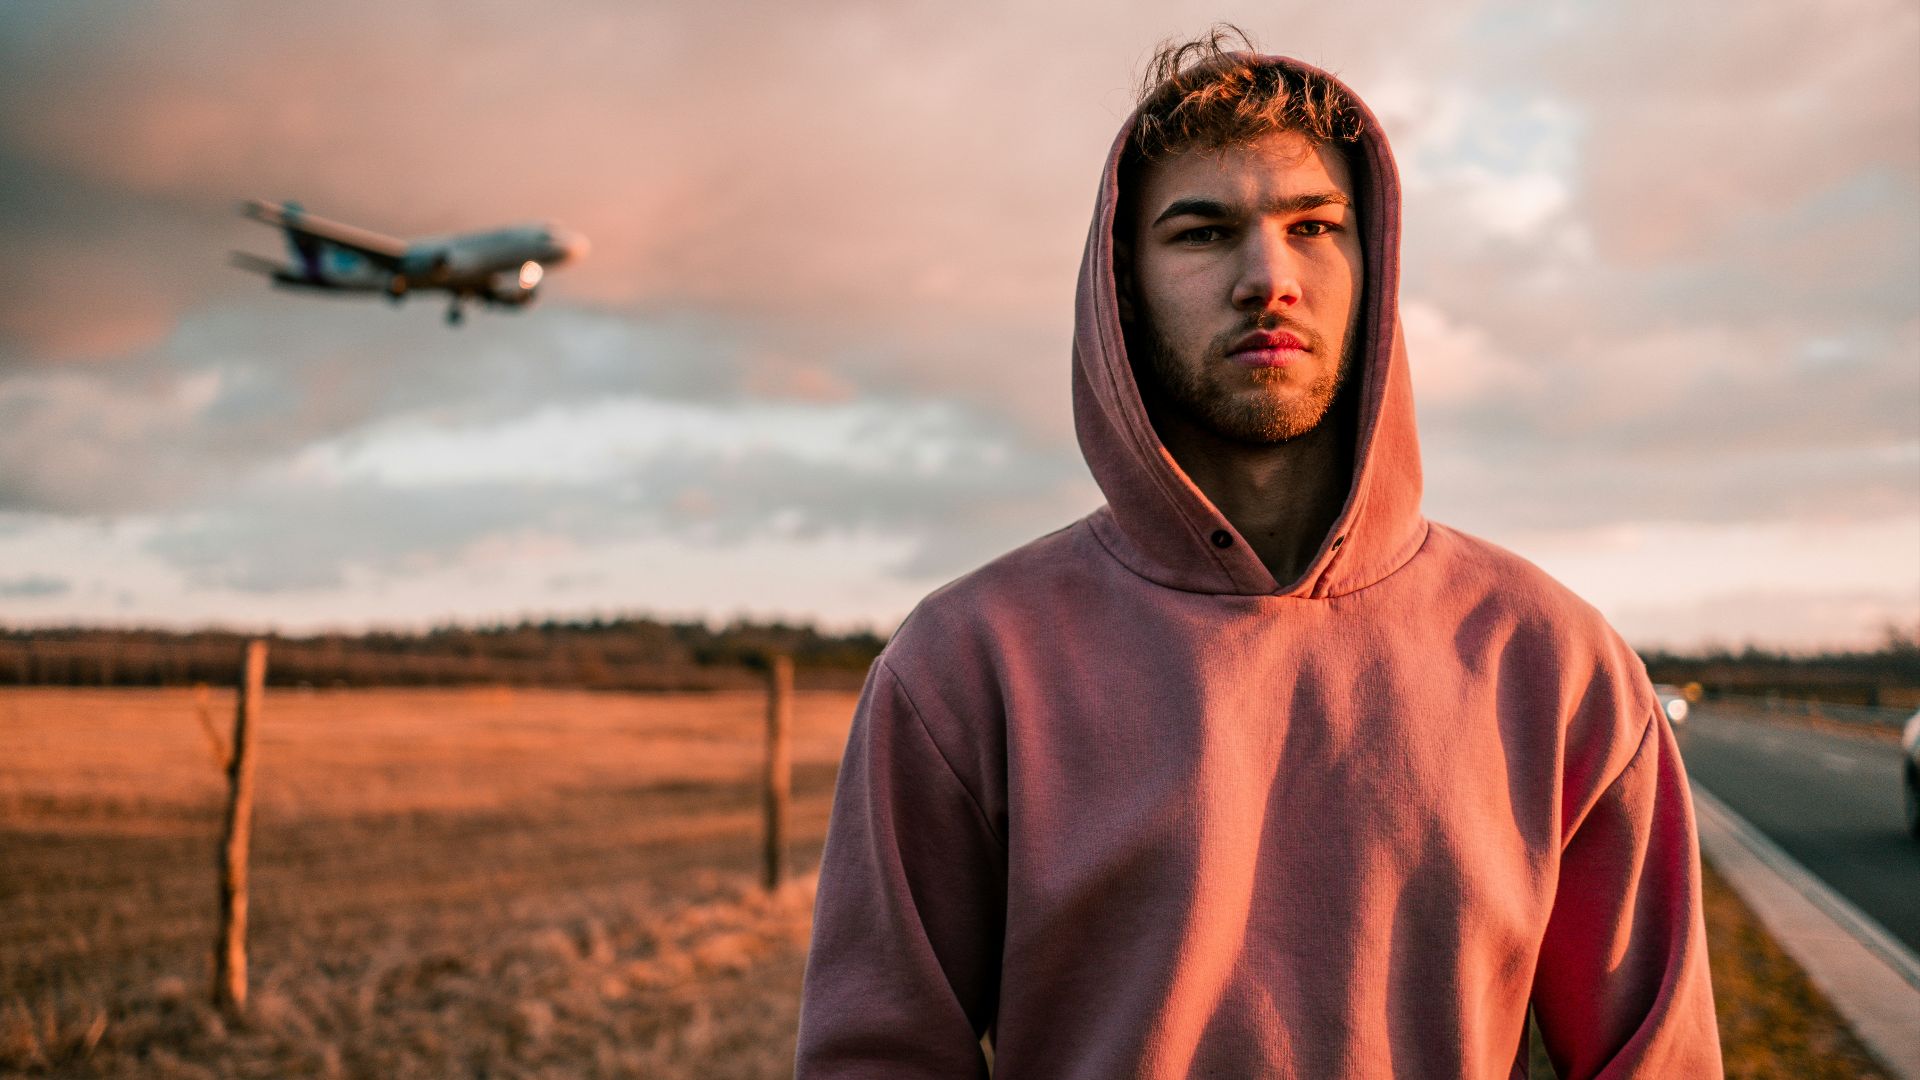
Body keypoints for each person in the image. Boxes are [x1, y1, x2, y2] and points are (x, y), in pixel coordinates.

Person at [796, 30, 1722, 1080]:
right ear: (1123, 290)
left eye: (1315, 226)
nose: (1267, 277)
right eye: (1201, 234)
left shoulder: (1552, 660)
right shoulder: (967, 664)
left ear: (1373, 270)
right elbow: (877, 1057)